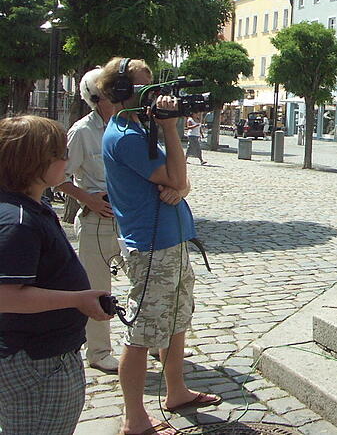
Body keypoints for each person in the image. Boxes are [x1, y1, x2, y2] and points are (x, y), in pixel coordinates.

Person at [98, 58, 220, 435]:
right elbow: (178, 175)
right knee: (143, 333)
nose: (154, 96)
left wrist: (179, 186)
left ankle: (176, 391)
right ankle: (134, 419)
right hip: (152, 248)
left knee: (176, 321)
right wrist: (171, 129)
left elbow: (180, 184)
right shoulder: (126, 136)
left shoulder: (138, 130)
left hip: (172, 242)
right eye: (143, 88)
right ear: (121, 93)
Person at [0, 115, 113, 435]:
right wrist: (78, 299)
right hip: (38, 360)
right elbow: (5, 295)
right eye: (61, 155)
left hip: (49, 353)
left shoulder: (27, 206)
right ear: (34, 162)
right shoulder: (18, 220)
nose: (67, 161)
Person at [55, 68, 122, 374]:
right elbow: (59, 178)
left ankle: (154, 341)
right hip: (98, 217)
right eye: (110, 95)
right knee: (98, 286)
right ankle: (98, 351)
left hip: (130, 217)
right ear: (97, 99)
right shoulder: (82, 131)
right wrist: (89, 199)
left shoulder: (127, 127)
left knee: (144, 280)